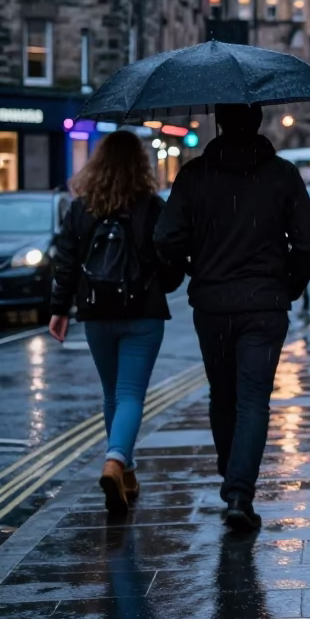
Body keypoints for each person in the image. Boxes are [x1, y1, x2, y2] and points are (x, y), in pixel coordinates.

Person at [154, 103, 310, 532]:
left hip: (213, 306)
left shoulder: (194, 176)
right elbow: (308, 243)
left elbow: (166, 237)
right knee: (252, 401)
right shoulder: (282, 174)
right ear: (259, 123)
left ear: (220, 123)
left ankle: (233, 481)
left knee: (222, 395)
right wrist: (288, 285)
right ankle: (239, 491)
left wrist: (197, 265)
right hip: (265, 304)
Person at [49, 130, 184, 515]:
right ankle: (115, 461)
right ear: (140, 165)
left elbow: (66, 262)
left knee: (112, 394)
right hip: (142, 313)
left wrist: (59, 310)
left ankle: (126, 470)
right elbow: (169, 259)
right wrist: (164, 284)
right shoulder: (151, 206)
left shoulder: (82, 207)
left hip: (96, 313)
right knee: (130, 395)